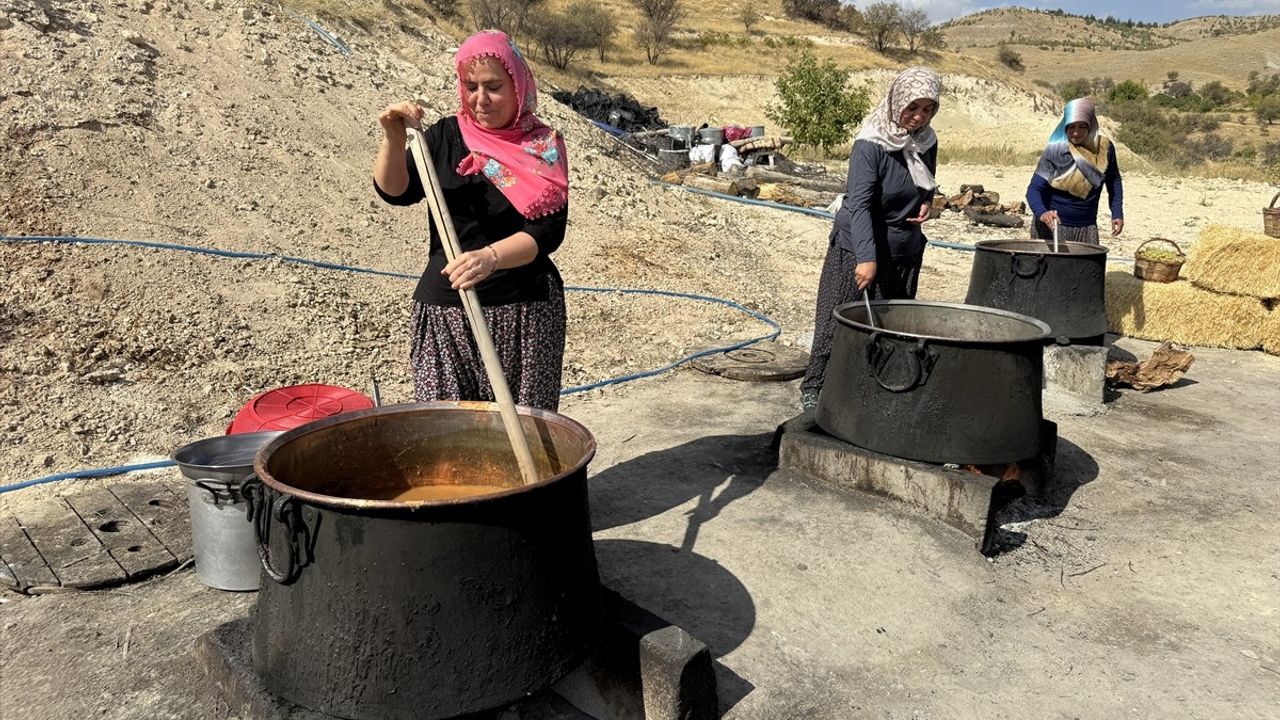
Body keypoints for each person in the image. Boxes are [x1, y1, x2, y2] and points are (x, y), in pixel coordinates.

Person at [372, 30, 569, 411]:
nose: (481, 99)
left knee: (524, 434)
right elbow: (395, 191)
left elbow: (548, 231)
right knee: (449, 435)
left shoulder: (543, 146)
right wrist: (393, 139)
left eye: (494, 87)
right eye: (471, 86)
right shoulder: (445, 136)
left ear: (518, 86)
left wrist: (490, 257)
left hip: (523, 311)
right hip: (446, 311)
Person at [798, 67, 943, 411]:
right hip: (858, 245)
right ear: (896, 102)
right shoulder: (870, 144)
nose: (919, 116)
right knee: (836, 320)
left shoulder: (926, 140)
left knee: (890, 325)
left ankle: (872, 389)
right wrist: (866, 258)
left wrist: (926, 202)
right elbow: (859, 204)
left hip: (904, 247)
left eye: (928, 109)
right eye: (912, 107)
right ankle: (815, 387)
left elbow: (926, 181)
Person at [1025, 97, 1123, 244]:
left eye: (1082, 126)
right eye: (1071, 127)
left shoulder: (1104, 149)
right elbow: (1034, 189)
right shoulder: (1055, 150)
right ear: (1065, 127)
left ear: (1091, 124)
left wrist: (1117, 213)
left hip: (1086, 227)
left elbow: (1113, 181)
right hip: (1052, 226)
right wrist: (1042, 213)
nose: (1076, 133)